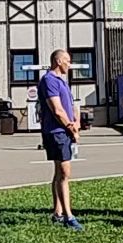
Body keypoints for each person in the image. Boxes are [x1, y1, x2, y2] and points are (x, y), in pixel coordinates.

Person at [37, 49, 82, 230]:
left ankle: (58, 212)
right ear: (58, 61)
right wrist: (71, 128)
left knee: (60, 172)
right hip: (56, 132)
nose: (69, 65)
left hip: (65, 131)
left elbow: (71, 106)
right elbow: (57, 109)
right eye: (67, 61)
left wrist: (77, 121)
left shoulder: (62, 81)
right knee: (64, 173)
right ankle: (68, 216)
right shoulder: (49, 80)